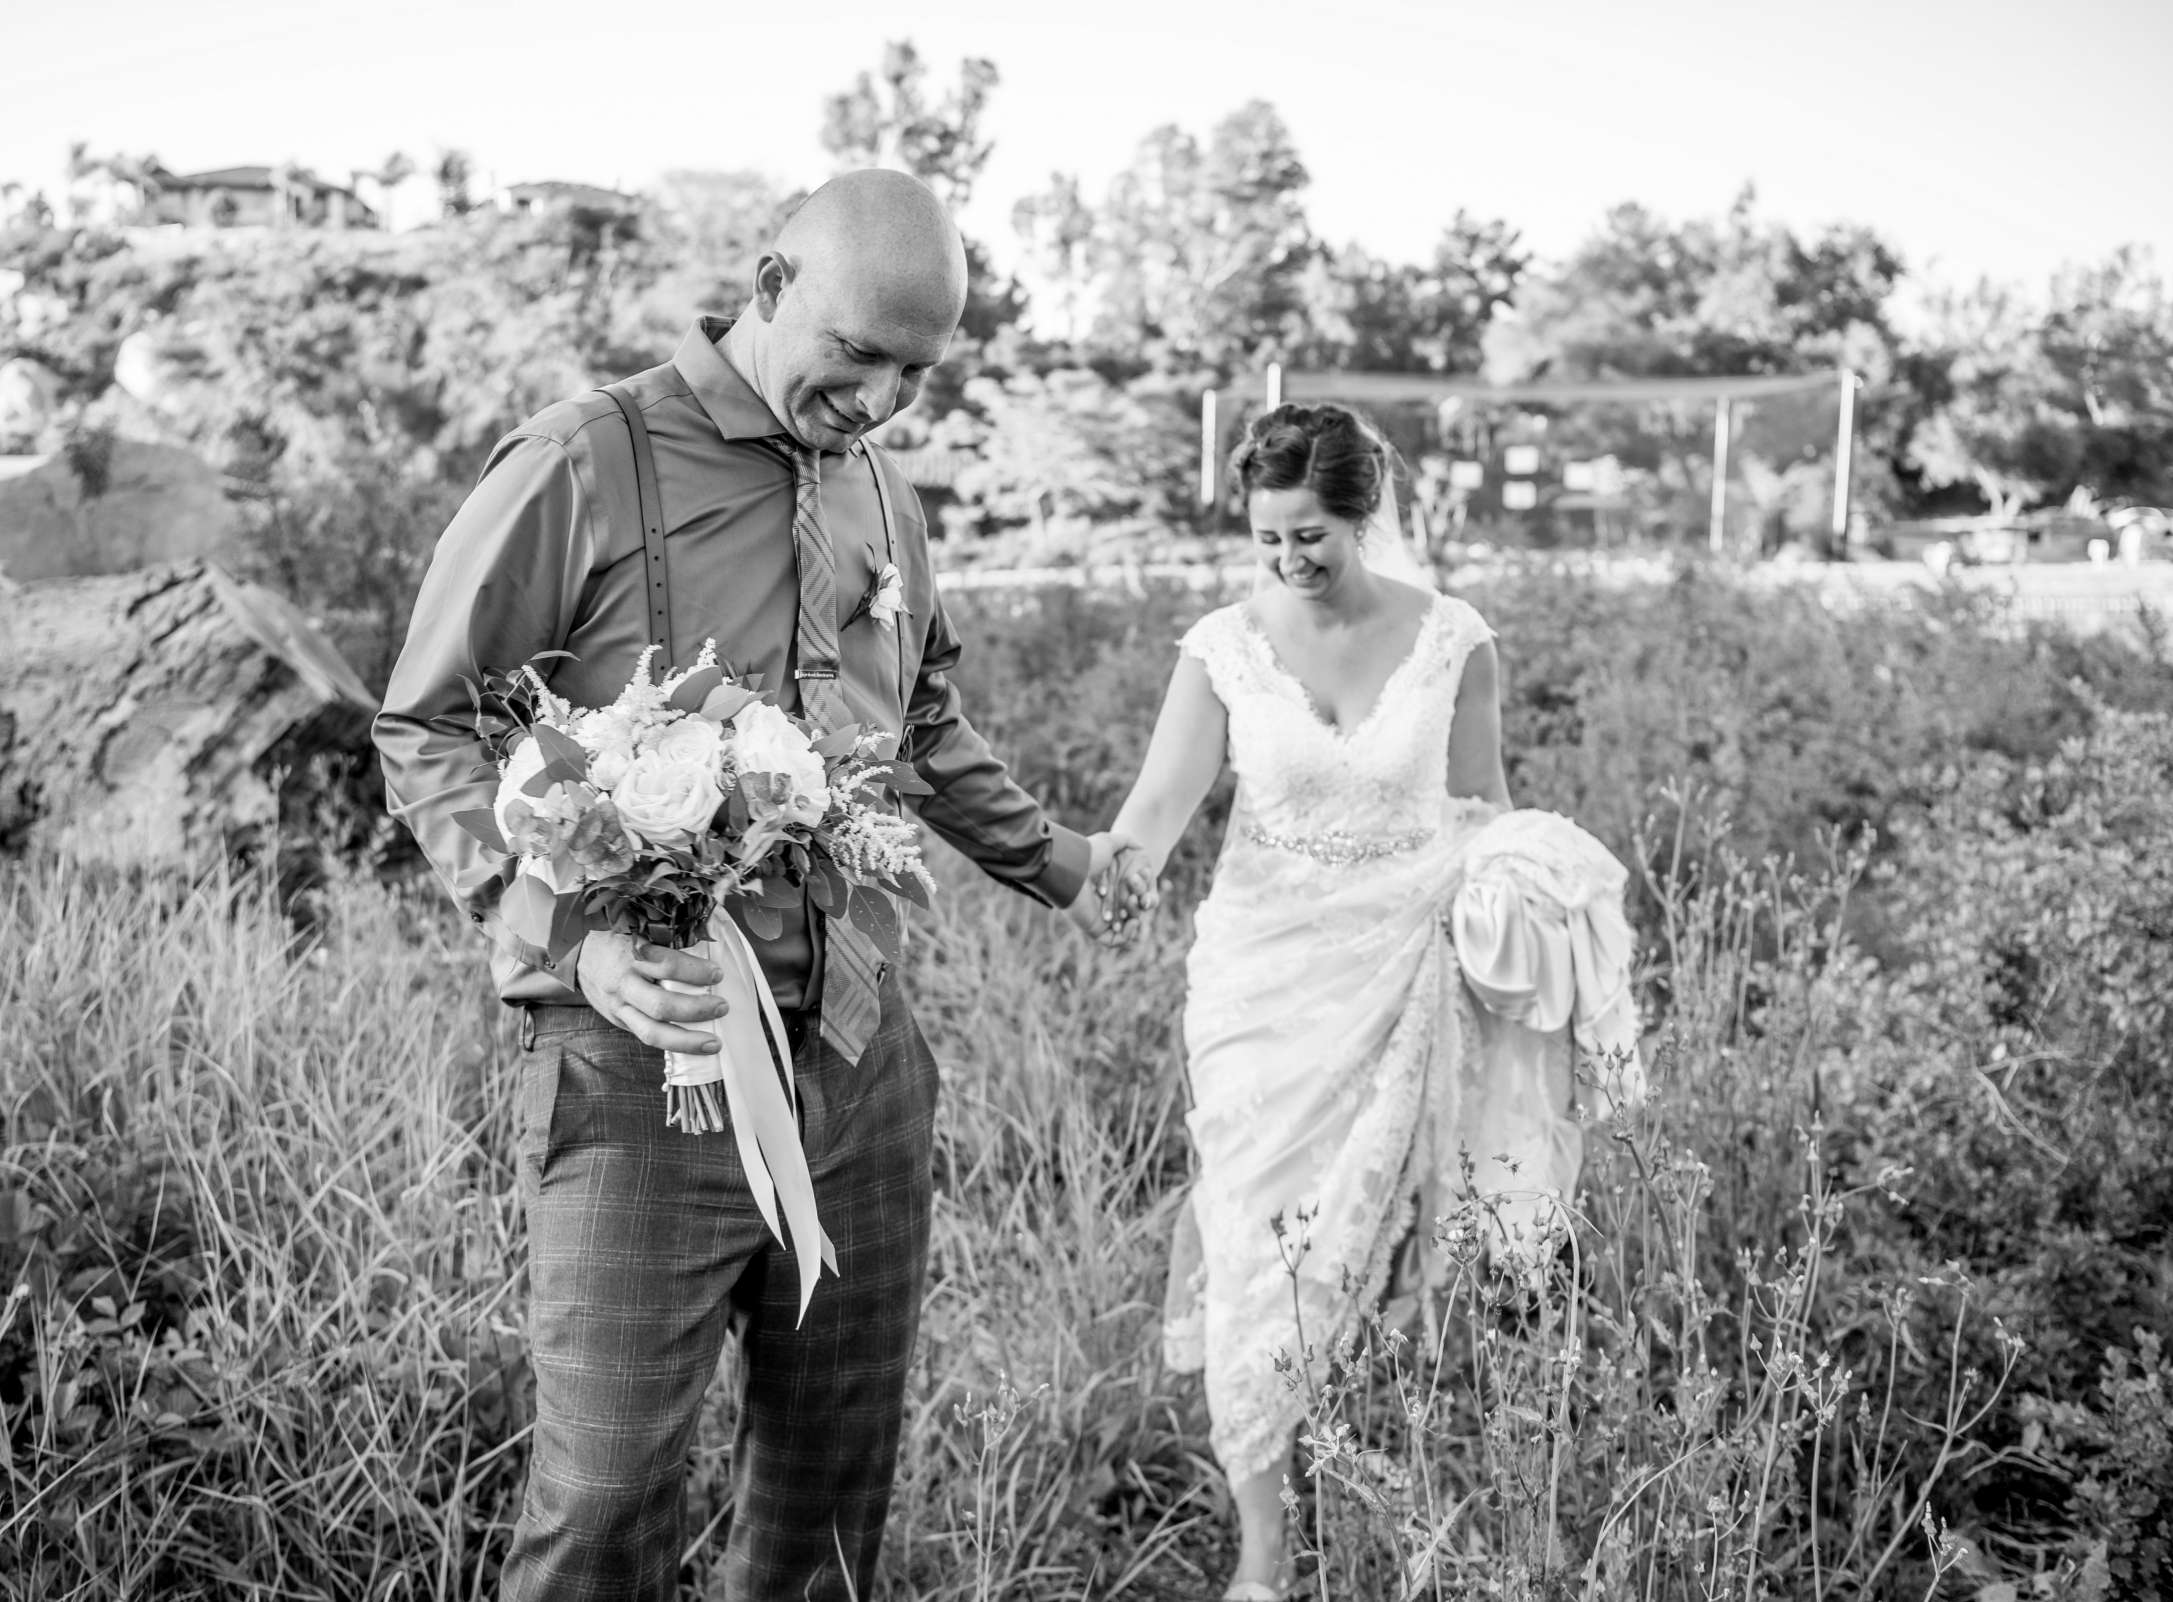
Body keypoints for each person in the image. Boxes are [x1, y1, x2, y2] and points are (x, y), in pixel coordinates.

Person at [373, 168, 1127, 1602]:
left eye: (917, 373)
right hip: (639, 1055)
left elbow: (920, 720)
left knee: (827, 1503)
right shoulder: (583, 458)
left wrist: (1064, 861)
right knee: (601, 1500)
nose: (885, 401)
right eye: (860, 358)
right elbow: (427, 721)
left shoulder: (884, 495)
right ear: (771, 283)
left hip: (858, 1058)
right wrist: (566, 944)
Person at [1101, 402, 1597, 1600]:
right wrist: (1099, 872)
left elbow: (1482, 807)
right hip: (1260, 981)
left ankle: (1379, 1461)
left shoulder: (1454, 640)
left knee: (1381, 1242)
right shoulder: (1223, 645)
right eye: (1266, 539)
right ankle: (1262, 1555)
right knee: (1253, 1228)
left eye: (1309, 535)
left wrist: (1522, 905)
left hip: (1404, 958)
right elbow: (1157, 810)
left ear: (1364, 515)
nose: (1285, 563)